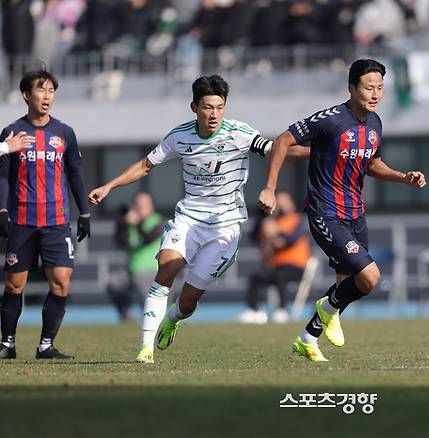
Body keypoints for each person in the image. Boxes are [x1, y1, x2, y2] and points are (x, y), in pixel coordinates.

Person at [88, 75, 308, 364]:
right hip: (188, 219)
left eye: (219, 107)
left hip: (225, 227)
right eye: (207, 107)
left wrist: (327, 154)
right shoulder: (179, 136)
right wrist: (108, 186)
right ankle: (145, 348)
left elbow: (280, 151)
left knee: (188, 302)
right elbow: (144, 166)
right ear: (194, 107)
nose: (214, 114)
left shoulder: (239, 133)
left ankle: (173, 318)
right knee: (165, 270)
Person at [258, 58, 427, 362]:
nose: (375, 94)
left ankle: (308, 338)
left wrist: (403, 177)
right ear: (352, 88)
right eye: (368, 88)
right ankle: (327, 308)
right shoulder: (331, 119)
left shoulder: (375, 123)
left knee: (354, 284)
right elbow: (283, 141)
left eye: (380, 88)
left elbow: (371, 162)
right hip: (326, 212)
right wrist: (270, 188)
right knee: (371, 276)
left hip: (355, 214)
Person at [0, 69, 91, 360]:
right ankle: (8, 344)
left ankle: (45, 345)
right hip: (22, 221)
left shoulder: (64, 133)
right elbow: (2, 176)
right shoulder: (12, 132)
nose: (47, 96)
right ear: (26, 95)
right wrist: (2, 209)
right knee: (15, 285)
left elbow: (75, 174)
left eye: (52, 90)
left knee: (62, 281)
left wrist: (85, 212)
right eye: (42, 90)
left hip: (56, 222)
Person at [239, 191, 310, 324]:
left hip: (296, 266)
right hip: (276, 265)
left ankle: (282, 310)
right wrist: (263, 222)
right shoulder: (271, 221)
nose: (281, 206)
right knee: (256, 277)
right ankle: (253, 311)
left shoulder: (296, 218)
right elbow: (255, 238)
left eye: (284, 202)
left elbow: (291, 239)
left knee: (280, 275)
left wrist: (277, 233)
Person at [108, 192, 164, 321]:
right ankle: (126, 316)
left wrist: (136, 223)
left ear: (151, 207)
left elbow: (147, 238)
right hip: (130, 271)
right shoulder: (131, 224)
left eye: (143, 206)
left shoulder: (157, 221)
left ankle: (151, 321)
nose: (139, 209)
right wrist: (122, 222)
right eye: (137, 206)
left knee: (144, 290)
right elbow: (119, 242)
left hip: (152, 271)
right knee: (113, 282)